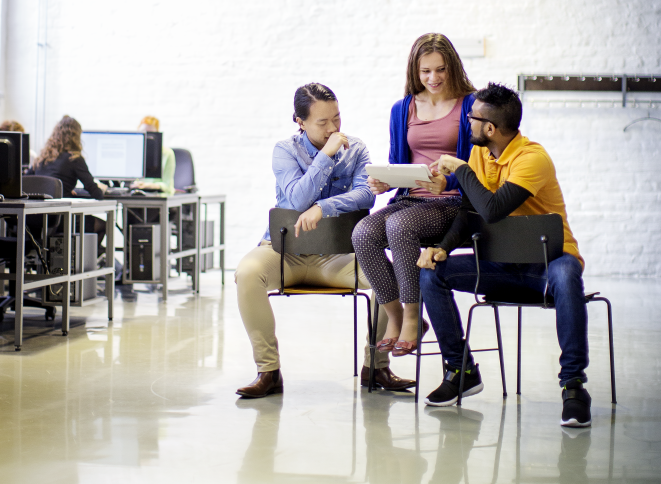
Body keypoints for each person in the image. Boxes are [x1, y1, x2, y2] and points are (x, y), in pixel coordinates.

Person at [417, 83, 591, 428]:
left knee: (567, 273)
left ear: (490, 128)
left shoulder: (533, 159)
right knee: (431, 273)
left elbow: (493, 209)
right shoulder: (481, 154)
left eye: (472, 118)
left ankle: (573, 387)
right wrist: (442, 248)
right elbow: (469, 212)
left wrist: (461, 170)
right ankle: (461, 368)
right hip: (500, 266)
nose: (467, 123)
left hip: (549, 266)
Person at [234, 83, 414, 398]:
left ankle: (377, 367)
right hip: (285, 253)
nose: (333, 129)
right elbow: (298, 198)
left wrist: (324, 207)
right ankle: (268, 371)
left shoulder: (356, 149)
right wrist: (327, 156)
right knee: (247, 273)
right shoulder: (285, 151)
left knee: (391, 278)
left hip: (338, 256)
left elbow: (364, 197)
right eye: (322, 122)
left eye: (337, 119)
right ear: (299, 122)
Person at [352, 33, 475, 359]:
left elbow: (479, 169)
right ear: (414, 72)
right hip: (411, 199)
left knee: (400, 227)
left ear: (453, 67)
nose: (433, 78)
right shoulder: (403, 108)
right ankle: (397, 317)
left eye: (440, 70)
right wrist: (386, 183)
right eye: (425, 72)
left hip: (451, 202)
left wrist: (448, 181)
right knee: (363, 233)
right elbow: (399, 162)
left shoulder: (470, 105)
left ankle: (411, 315)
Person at [28, 116, 108, 246]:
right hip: (64, 220)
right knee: (104, 225)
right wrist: (101, 189)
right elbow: (96, 193)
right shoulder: (74, 158)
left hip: (37, 221)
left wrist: (66, 190)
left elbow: (27, 183)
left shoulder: (41, 159)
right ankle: (84, 263)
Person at [131, 115, 177, 195]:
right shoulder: (133, 152)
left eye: (150, 133)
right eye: (143, 132)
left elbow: (168, 186)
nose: (147, 137)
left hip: (159, 197)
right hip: (136, 194)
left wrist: (150, 186)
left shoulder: (167, 153)